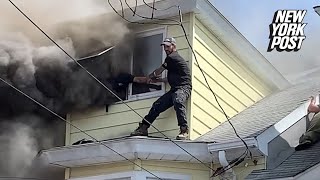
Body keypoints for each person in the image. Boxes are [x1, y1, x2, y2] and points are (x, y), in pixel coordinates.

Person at [130, 37, 192, 140]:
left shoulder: (172, 57)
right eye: (164, 47)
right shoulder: (173, 62)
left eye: (168, 46)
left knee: (178, 100)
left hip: (183, 88)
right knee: (157, 105)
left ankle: (184, 130)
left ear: (174, 46)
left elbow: (159, 71)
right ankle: (143, 128)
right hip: (175, 89)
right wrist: (159, 81)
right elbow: (171, 79)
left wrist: (149, 77)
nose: (166, 49)